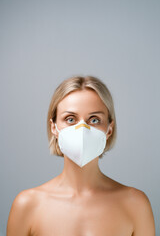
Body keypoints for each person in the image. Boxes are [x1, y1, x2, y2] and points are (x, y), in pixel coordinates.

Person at [7, 75, 155, 236]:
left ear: (109, 129)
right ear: (54, 128)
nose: (82, 129)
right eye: (70, 119)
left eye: (94, 120)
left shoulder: (135, 204)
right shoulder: (28, 205)